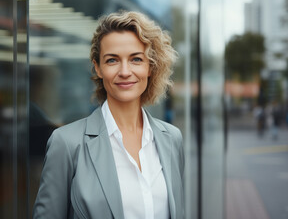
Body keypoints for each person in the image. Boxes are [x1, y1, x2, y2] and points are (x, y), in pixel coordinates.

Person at [33, 11, 185, 219]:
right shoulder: (66, 143)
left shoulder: (172, 138)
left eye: (136, 59)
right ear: (98, 67)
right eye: (112, 60)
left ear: (150, 66)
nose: (124, 71)